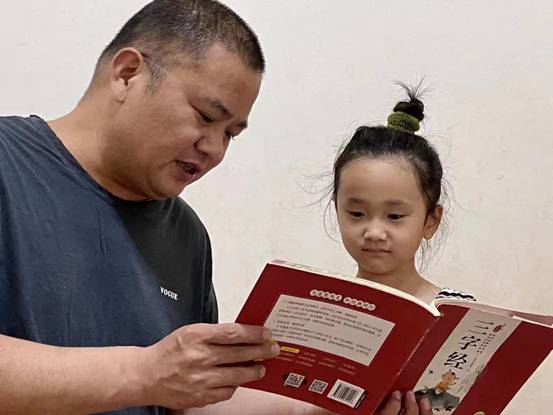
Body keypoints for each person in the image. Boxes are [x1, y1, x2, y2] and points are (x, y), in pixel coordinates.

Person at [0, 1, 280, 414]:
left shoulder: (186, 234)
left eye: (230, 134)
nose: (215, 149)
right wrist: (142, 373)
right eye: (205, 116)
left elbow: (178, 399)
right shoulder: (8, 162)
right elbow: (153, 377)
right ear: (128, 74)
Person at [192, 86, 470, 415]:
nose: (374, 232)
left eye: (395, 216)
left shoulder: (457, 315)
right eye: (357, 213)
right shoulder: (317, 308)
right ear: (337, 209)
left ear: (430, 220)